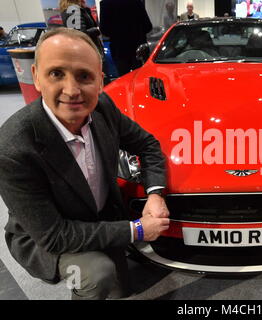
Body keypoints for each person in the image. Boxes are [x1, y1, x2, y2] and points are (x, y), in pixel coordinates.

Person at [0, 28, 170, 300]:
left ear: (100, 81)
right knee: (97, 275)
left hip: (99, 215)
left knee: (120, 287)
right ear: (36, 78)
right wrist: (135, 229)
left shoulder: (103, 107)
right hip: (46, 235)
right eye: (56, 74)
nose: (72, 90)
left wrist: (155, 194)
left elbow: (147, 144)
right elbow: (54, 236)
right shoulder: (13, 149)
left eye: (84, 76)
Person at [99, 0, 152, 76]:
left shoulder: (106, 3)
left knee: (124, 79)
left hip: (119, 49)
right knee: (140, 78)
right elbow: (148, 26)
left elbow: (104, 30)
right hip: (138, 48)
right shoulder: (136, 2)